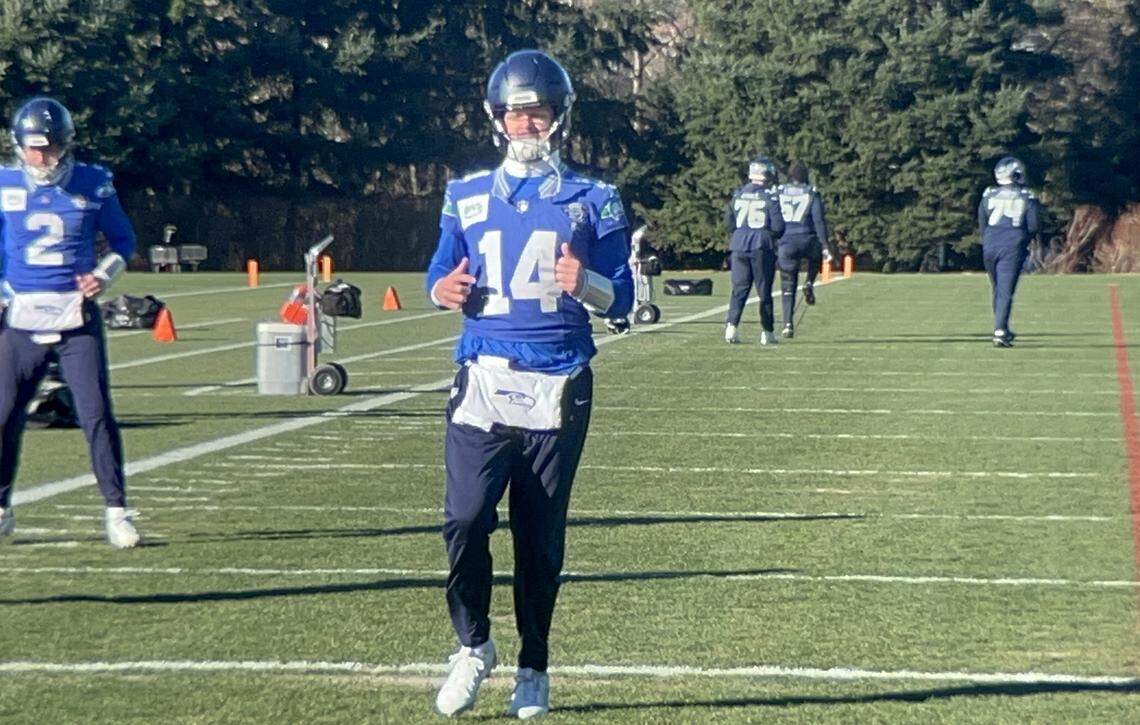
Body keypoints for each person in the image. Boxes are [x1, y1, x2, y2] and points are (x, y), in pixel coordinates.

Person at [424, 50, 633, 719]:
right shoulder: (466, 192)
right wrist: (440, 288)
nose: (527, 124)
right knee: (463, 517)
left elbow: (622, 298)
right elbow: (439, 271)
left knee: (538, 539)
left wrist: (588, 285)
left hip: (557, 379)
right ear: (498, 119)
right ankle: (472, 644)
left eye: (537, 111)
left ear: (559, 117)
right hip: (483, 374)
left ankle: (533, 663)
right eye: (517, 113)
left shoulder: (594, 199)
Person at [0, 97, 139, 548]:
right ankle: (1, 507)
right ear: (19, 146)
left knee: (96, 413)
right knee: (3, 417)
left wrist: (103, 275)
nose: (43, 158)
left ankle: (116, 511)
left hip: (74, 315)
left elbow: (124, 239)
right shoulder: (4, 184)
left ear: (66, 144)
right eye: (34, 149)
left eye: (50, 148)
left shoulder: (92, 182)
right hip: (20, 317)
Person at [979, 156, 1041, 347]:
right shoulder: (1026, 196)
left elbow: (982, 221)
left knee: (997, 289)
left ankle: (1002, 326)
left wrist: (990, 240)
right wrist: (1023, 241)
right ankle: (999, 331)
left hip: (990, 245)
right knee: (1005, 291)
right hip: (1011, 246)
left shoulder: (989, 194)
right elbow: (1033, 225)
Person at [724, 155, 784, 345]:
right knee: (764, 291)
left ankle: (731, 328)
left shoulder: (738, 194)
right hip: (761, 245)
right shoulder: (770, 196)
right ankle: (767, 332)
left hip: (739, 245)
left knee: (739, 289)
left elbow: (728, 223)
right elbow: (778, 227)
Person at [776, 163, 831, 338]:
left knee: (787, 285)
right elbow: (818, 220)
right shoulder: (811, 192)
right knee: (815, 257)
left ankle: (787, 324)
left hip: (786, 242)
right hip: (807, 239)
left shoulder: (779, 192)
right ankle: (809, 282)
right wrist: (825, 245)